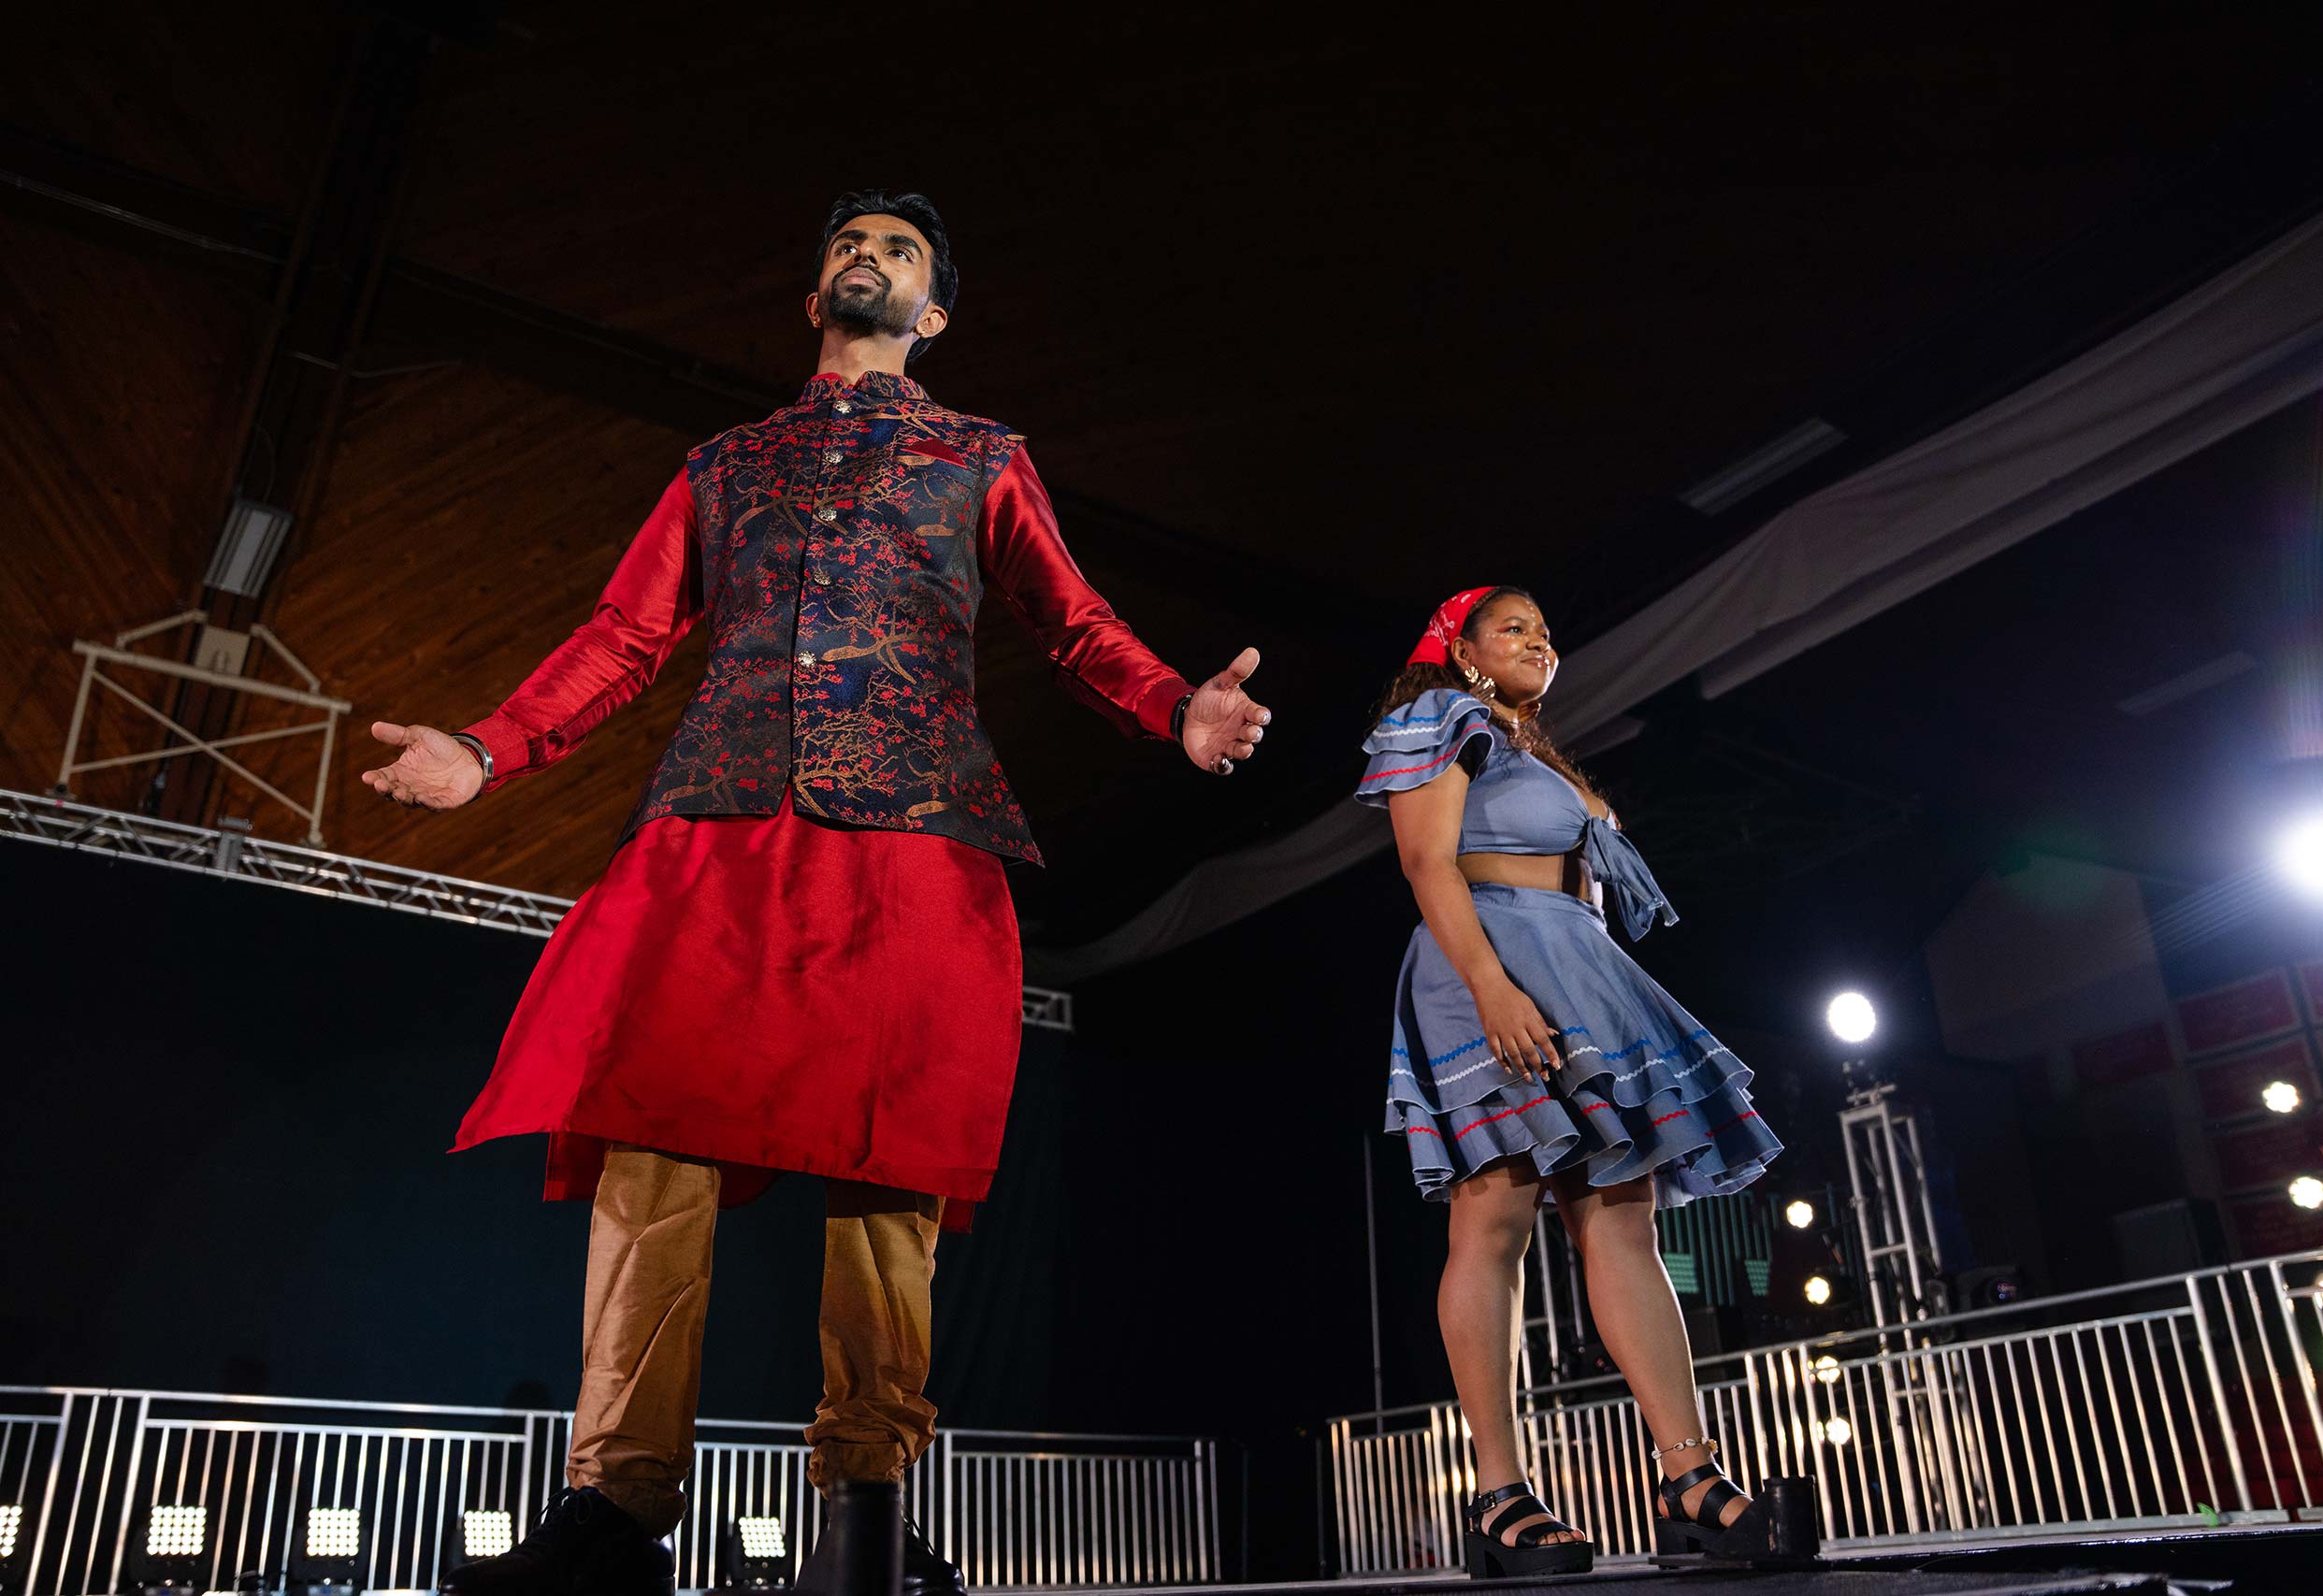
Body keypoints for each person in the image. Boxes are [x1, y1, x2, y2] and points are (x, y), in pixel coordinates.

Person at [361, 189, 1272, 1596]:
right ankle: (615, 1504)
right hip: (720, 822)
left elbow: (1073, 620)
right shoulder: (725, 460)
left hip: (914, 823)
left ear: (936, 313)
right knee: (644, 1132)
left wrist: (1175, 714)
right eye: (851, 246)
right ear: (814, 300)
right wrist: (488, 749)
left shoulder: (983, 458)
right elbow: (624, 631)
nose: (871, 259)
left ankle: (865, 1502)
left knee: (888, 1162)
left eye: (900, 252)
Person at [1356, 585, 1779, 1574]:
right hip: (1492, 960)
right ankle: (1500, 1497)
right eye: (1514, 627)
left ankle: (1685, 1474)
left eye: (1548, 630)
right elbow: (1427, 864)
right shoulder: (1437, 716)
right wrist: (1493, 989)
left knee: (1622, 1216)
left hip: (1580, 967)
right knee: (1492, 1219)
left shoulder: (1536, 752)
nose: (1540, 641)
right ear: (1459, 650)